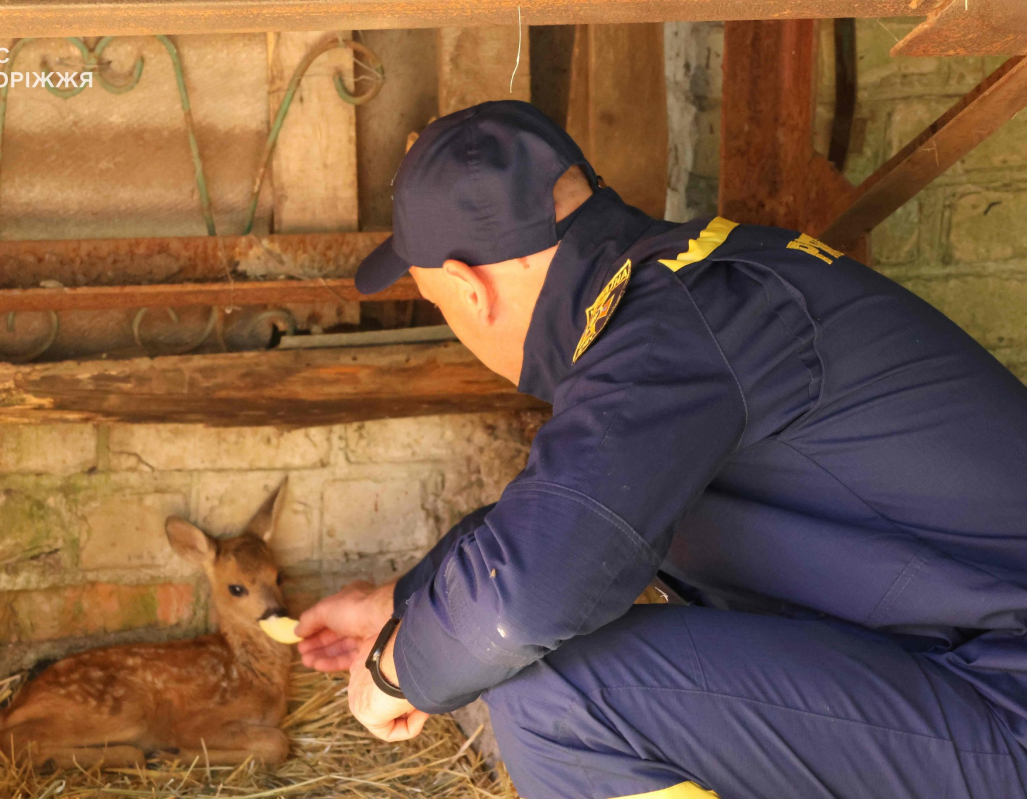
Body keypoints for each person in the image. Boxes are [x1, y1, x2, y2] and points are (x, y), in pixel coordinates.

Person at [294, 101, 1027, 798]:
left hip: (1003, 696)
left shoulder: (669, 333)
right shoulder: (686, 292)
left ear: (468, 287)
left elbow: (531, 594)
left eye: (435, 302)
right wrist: (404, 601)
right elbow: (573, 522)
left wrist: (399, 669)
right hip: (969, 674)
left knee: (557, 695)